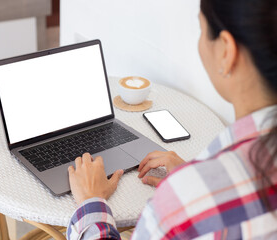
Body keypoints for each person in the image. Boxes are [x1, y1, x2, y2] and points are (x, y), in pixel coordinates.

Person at [66, 0, 277, 239]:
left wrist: (91, 202)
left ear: (227, 52)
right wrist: (195, 176)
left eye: (202, 30)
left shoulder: (182, 203)